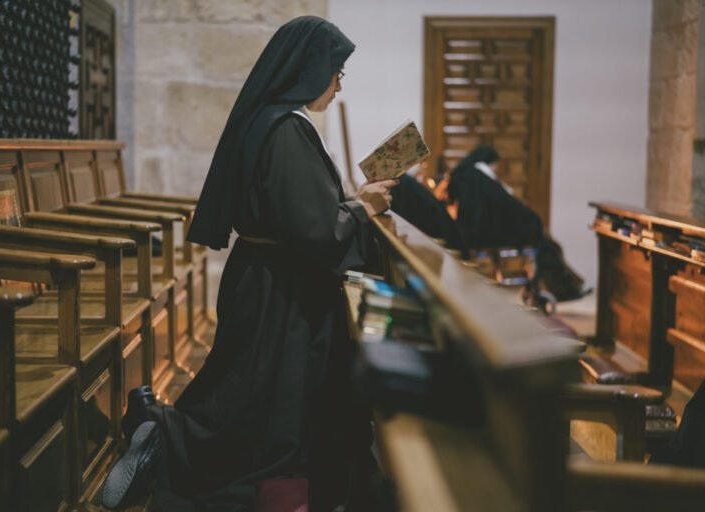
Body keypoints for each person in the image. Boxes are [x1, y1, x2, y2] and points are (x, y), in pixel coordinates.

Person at [103, 16, 396, 511]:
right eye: (336, 71)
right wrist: (363, 208)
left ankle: (158, 423)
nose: (339, 85)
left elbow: (302, 215)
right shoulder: (286, 130)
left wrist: (354, 204)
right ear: (309, 68)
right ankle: (163, 437)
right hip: (278, 289)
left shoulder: (278, 122)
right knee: (256, 405)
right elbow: (314, 229)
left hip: (270, 279)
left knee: (254, 395)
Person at [441, 144, 588, 302]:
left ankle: (571, 285)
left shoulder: (466, 175)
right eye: (496, 165)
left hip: (475, 233)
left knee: (548, 244)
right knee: (547, 244)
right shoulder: (481, 177)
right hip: (487, 235)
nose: (497, 169)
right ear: (489, 163)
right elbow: (507, 205)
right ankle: (567, 289)